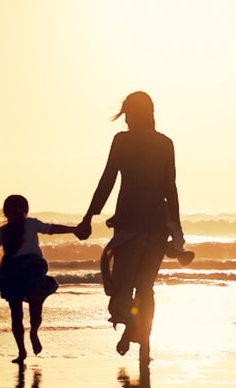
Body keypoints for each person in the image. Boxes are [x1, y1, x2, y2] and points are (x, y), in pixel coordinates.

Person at [76, 91, 185, 360]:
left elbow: (108, 179)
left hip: (129, 224)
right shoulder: (165, 143)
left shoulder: (122, 142)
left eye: (127, 115)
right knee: (146, 286)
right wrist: (176, 227)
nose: (125, 122)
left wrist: (89, 216)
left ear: (133, 114)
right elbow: (170, 187)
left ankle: (131, 328)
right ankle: (144, 343)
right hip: (158, 225)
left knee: (123, 284)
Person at [0, 194, 83, 363]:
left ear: (5, 212)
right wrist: (74, 229)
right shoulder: (31, 223)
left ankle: (21, 351)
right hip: (33, 269)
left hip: (11, 272)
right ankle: (34, 332)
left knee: (16, 314)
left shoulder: (2, 231)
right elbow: (52, 229)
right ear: (26, 210)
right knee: (35, 305)